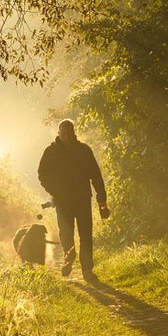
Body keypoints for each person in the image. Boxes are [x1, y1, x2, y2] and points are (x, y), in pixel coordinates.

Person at [38, 119, 110, 284]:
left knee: (85, 235)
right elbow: (42, 174)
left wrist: (102, 201)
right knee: (66, 234)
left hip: (83, 200)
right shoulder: (51, 152)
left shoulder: (84, 151)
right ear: (58, 134)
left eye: (69, 134)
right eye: (63, 134)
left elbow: (96, 176)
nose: (67, 137)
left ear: (74, 133)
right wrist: (54, 190)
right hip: (62, 202)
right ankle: (69, 258)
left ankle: (87, 270)